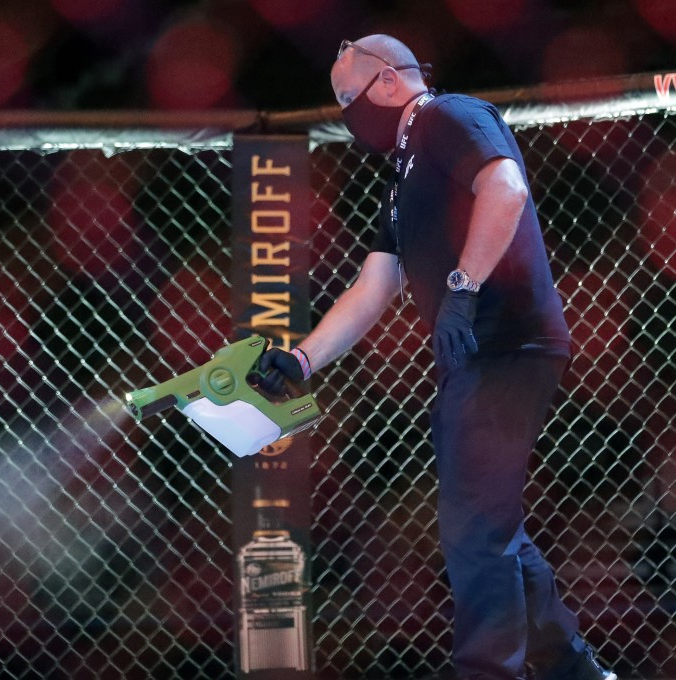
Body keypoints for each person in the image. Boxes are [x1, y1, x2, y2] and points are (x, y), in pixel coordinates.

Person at [256, 34, 615, 680]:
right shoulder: (403, 174)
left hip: (510, 341)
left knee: (473, 525)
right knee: (489, 522)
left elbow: (505, 187)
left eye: (349, 98)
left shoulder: (449, 116)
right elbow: (373, 287)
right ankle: (574, 671)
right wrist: (302, 360)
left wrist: (461, 286)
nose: (346, 115)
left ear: (390, 82)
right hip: (473, 357)